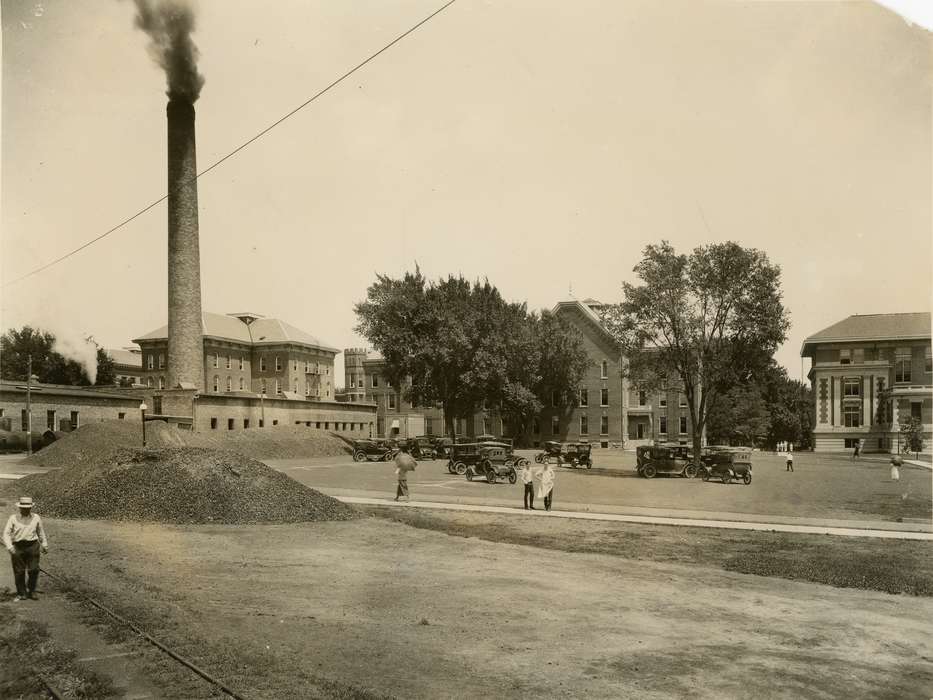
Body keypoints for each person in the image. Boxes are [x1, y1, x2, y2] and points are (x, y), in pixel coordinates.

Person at [3, 496, 49, 601]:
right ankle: (21, 593)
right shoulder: (13, 518)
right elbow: (6, 534)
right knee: (19, 571)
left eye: (28, 508)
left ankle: (31, 590)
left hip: (32, 546)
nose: (25, 509)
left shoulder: (36, 517)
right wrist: (10, 547)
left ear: (31, 508)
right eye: (23, 508)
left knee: (34, 569)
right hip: (18, 547)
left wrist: (44, 544)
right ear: (19, 508)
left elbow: (40, 532)